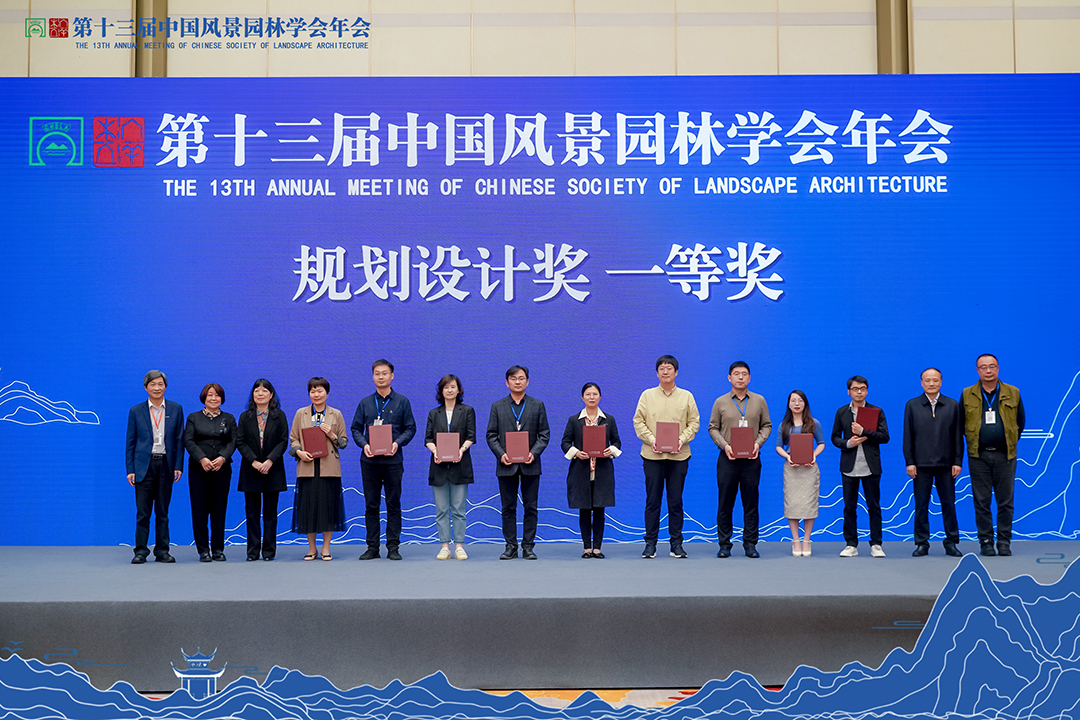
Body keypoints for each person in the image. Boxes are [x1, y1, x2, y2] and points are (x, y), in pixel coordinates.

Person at [632, 355, 700, 559]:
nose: (665, 371)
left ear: (676, 372)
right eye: (661, 368)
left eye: (669, 368)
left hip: (678, 456)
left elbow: (694, 422)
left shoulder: (686, 396)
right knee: (652, 501)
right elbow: (638, 421)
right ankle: (650, 544)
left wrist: (681, 439)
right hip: (652, 456)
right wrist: (651, 439)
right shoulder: (647, 395)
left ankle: (676, 544)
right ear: (657, 373)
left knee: (675, 501)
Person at [350, 359, 416, 561]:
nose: (381, 377)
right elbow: (355, 429)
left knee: (393, 504)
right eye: (377, 373)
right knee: (371, 505)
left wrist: (397, 443)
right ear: (373, 376)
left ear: (392, 376)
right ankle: (372, 547)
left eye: (384, 373)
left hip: (393, 461)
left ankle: (393, 546)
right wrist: (364, 445)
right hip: (369, 462)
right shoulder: (365, 402)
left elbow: (410, 428)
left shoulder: (402, 402)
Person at [962, 354, 1025, 557]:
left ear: (998, 368)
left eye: (992, 366)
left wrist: (1005, 440)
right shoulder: (967, 394)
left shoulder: (1013, 392)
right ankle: (986, 542)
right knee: (981, 502)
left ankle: (1004, 542)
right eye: (983, 367)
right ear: (977, 370)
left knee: (1005, 501)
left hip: (1005, 456)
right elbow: (961, 424)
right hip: (978, 456)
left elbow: (1020, 422)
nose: (988, 371)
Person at [709, 361, 772, 559]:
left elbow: (767, 425)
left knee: (751, 503)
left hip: (751, 459)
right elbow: (713, 428)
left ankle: (750, 544)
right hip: (727, 458)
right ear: (729, 378)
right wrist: (724, 445)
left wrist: (758, 443)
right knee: (725, 503)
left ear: (749, 378)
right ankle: (724, 545)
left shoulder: (759, 400)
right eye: (736, 374)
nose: (740, 377)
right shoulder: (720, 402)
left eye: (744, 374)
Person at [486, 365, 550, 560]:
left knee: (531, 507)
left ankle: (528, 546)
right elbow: (491, 435)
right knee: (508, 508)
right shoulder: (497, 406)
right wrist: (501, 454)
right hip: (506, 464)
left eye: (521, 378)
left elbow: (544, 435)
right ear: (507, 383)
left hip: (531, 464)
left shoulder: (537, 405)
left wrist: (534, 453)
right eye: (513, 378)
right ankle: (511, 546)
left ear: (527, 381)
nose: (517, 381)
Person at [903, 368, 965, 557]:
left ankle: (951, 542)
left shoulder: (952, 405)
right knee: (921, 506)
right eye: (927, 380)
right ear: (921, 382)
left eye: (935, 380)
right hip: (921, 465)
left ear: (941, 382)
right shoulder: (912, 405)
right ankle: (922, 543)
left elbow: (957, 436)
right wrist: (910, 462)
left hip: (946, 465)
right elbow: (908, 436)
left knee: (949, 505)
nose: (931, 383)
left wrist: (957, 461)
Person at [125, 370, 185, 564]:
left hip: (166, 464)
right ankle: (140, 551)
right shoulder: (136, 411)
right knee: (143, 513)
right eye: (153, 384)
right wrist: (130, 469)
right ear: (146, 387)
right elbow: (130, 442)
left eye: (160, 384)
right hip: (144, 466)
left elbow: (180, 440)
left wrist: (178, 465)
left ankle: (162, 551)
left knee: (162, 512)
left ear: (165, 387)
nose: (157, 388)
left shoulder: (176, 409)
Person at [290, 377, 349, 561]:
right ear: (309, 393)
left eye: (320, 391)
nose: (316, 394)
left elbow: (344, 442)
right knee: (308, 509)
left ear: (327, 393)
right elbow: (293, 439)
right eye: (313, 391)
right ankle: (311, 548)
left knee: (327, 508)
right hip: (307, 467)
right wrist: (299, 452)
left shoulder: (336, 414)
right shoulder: (301, 413)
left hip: (328, 467)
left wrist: (331, 434)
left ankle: (325, 548)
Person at [561, 382, 622, 558]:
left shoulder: (609, 419)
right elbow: (565, 442)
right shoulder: (574, 420)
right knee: (584, 510)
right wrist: (576, 452)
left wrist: (611, 450)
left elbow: (617, 442)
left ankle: (597, 548)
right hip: (581, 471)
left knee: (600, 511)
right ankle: (587, 548)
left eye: (595, 394)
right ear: (582, 397)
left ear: (600, 397)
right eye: (588, 394)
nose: (591, 397)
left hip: (602, 471)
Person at [832, 375, 890, 558]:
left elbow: (885, 437)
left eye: (863, 389)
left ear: (867, 391)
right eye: (855, 389)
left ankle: (876, 544)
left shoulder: (876, 411)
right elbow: (835, 437)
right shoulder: (842, 412)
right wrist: (848, 443)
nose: (859, 392)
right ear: (848, 391)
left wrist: (864, 432)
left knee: (874, 506)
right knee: (849, 507)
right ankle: (851, 544)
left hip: (871, 466)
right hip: (849, 467)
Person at [235, 378, 289, 561]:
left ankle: (269, 551)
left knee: (270, 513)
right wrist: (254, 462)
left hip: (272, 469)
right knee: (251, 513)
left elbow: (283, 441)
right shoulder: (245, 416)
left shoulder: (279, 416)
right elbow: (240, 441)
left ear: (271, 394)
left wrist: (269, 461)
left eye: (264, 391)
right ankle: (252, 551)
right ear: (253, 395)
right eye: (257, 390)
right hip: (251, 470)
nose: (260, 394)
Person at [183, 383, 237, 562]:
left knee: (219, 509)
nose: (214, 398)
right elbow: (188, 441)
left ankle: (218, 549)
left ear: (222, 398)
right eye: (210, 395)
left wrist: (223, 457)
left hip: (222, 469)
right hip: (199, 470)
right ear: (204, 398)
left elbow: (233, 441)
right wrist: (202, 458)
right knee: (199, 509)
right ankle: (203, 550)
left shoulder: (229, 418)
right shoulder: (194, 418)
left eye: (217, 395)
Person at [423, 374, 475, 560]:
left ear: (459, 390)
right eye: (446, 387)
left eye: (453, 387)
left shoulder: (467, 411)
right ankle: (444, 546)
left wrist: (461, 450)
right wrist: (435, 451)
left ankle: (459, 546)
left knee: (459, 509)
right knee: (442, 509)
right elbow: (428, 438)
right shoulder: (433, 413)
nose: (450, 390)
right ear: (441, 390)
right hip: (438, 467)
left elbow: (471, 436)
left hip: (460, 466)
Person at [774, 390, 824, 557]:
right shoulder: (784, 425)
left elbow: (821, 443)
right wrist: (788, 456)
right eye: (793, 400)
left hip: (809, 468)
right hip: (791, 469)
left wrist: (813, 455)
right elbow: (778, 447)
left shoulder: (814, 423)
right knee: (792, 504)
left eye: (800, 400)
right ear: (789, 404)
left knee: (809, 504)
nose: (797, 404)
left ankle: (807, 540)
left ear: (805, 403)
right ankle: (795, 540)